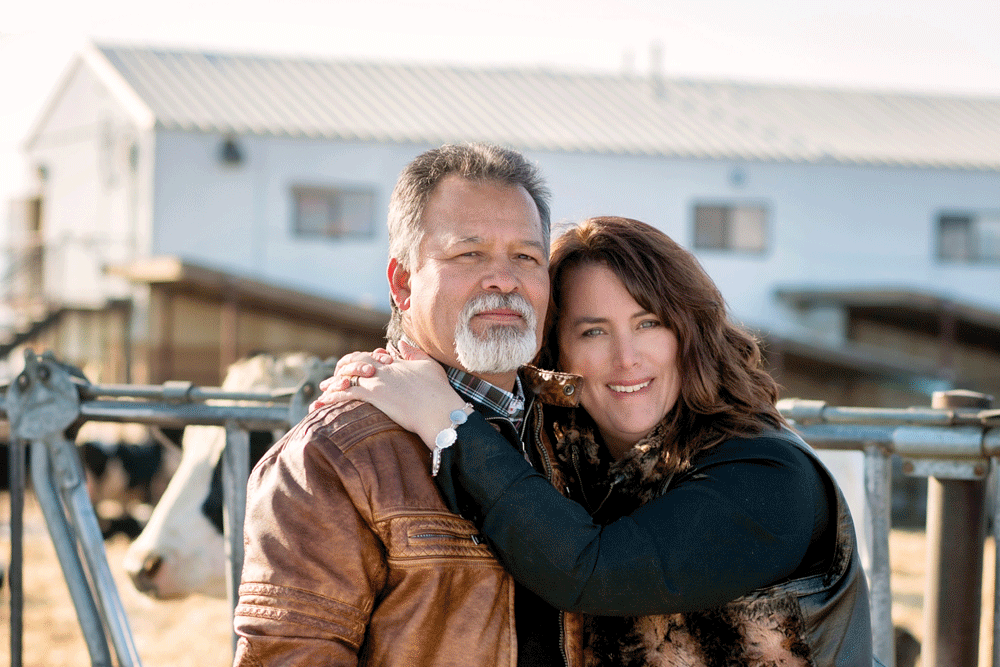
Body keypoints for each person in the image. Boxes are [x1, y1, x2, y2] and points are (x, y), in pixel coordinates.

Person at [319, 216, 875, 666]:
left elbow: (593, 571)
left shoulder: (768, 476)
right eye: (593, 330)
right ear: (555, 350)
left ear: (690, 331)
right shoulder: (574, 454)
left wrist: (446, 421)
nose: (626, 357)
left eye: (649, 322)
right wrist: (393, 376)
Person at [233, 142, 584, 666]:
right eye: (470, 253)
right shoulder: (332, 458)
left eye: (526, 257)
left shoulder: (578, 433)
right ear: (402, 282)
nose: (505, 280)